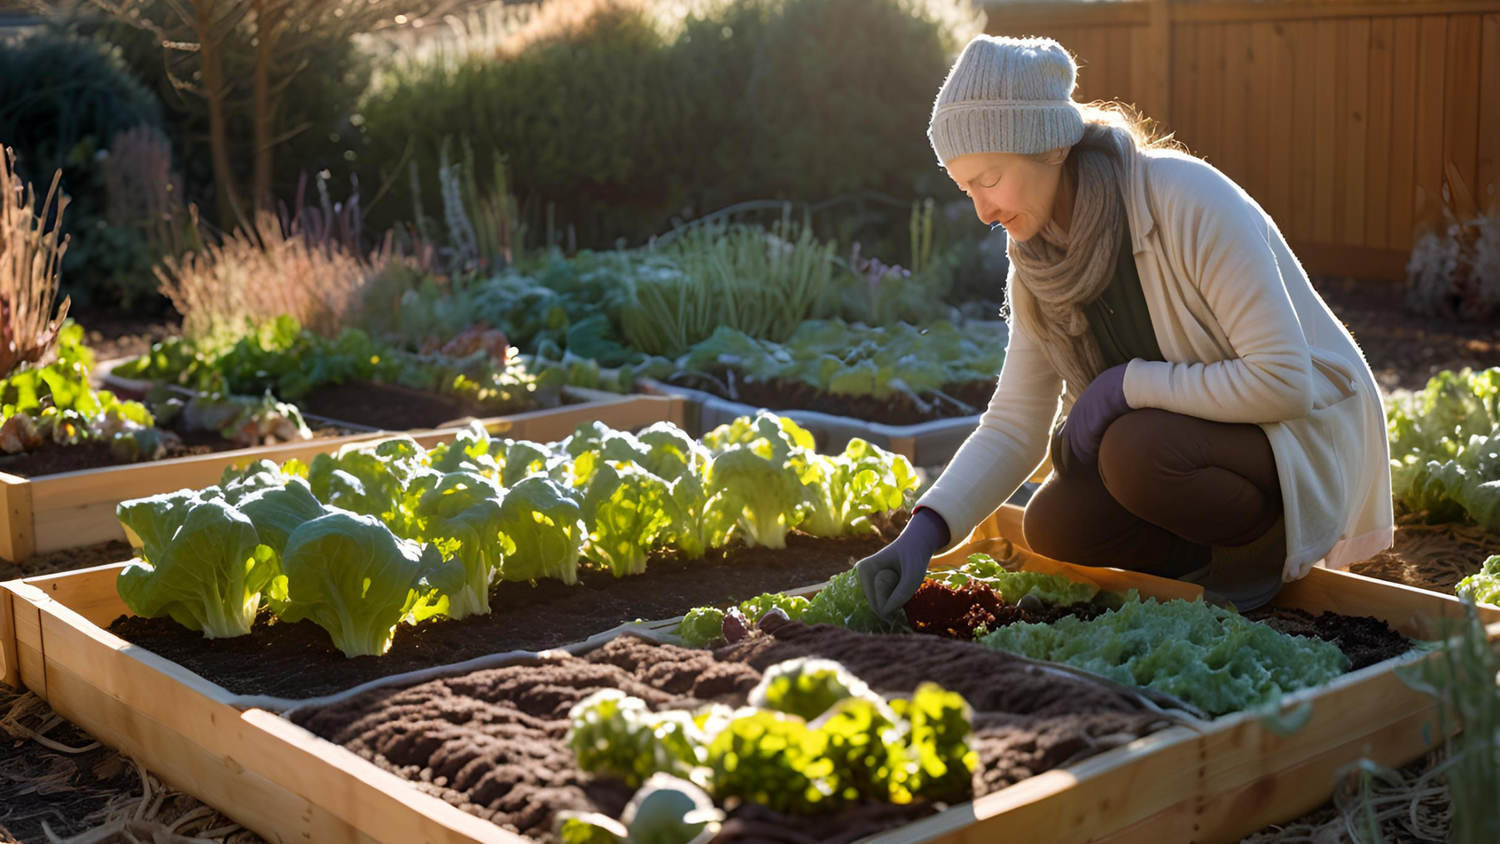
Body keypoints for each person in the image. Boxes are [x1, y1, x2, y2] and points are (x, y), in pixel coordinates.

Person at [855, 34, 1393, 618]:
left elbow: (1285, 382)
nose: (983, 210)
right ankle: (1199, 566)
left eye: (989, 178)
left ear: (1051, 146)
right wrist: (924, 532)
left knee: (1133, 449)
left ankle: (1258, 553)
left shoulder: (1185, 199)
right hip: (1189, 449)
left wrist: (1123, 386)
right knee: (1055, 523)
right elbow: (1013, 426)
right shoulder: (1038, 263)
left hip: (1302, 432)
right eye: (966, 189)